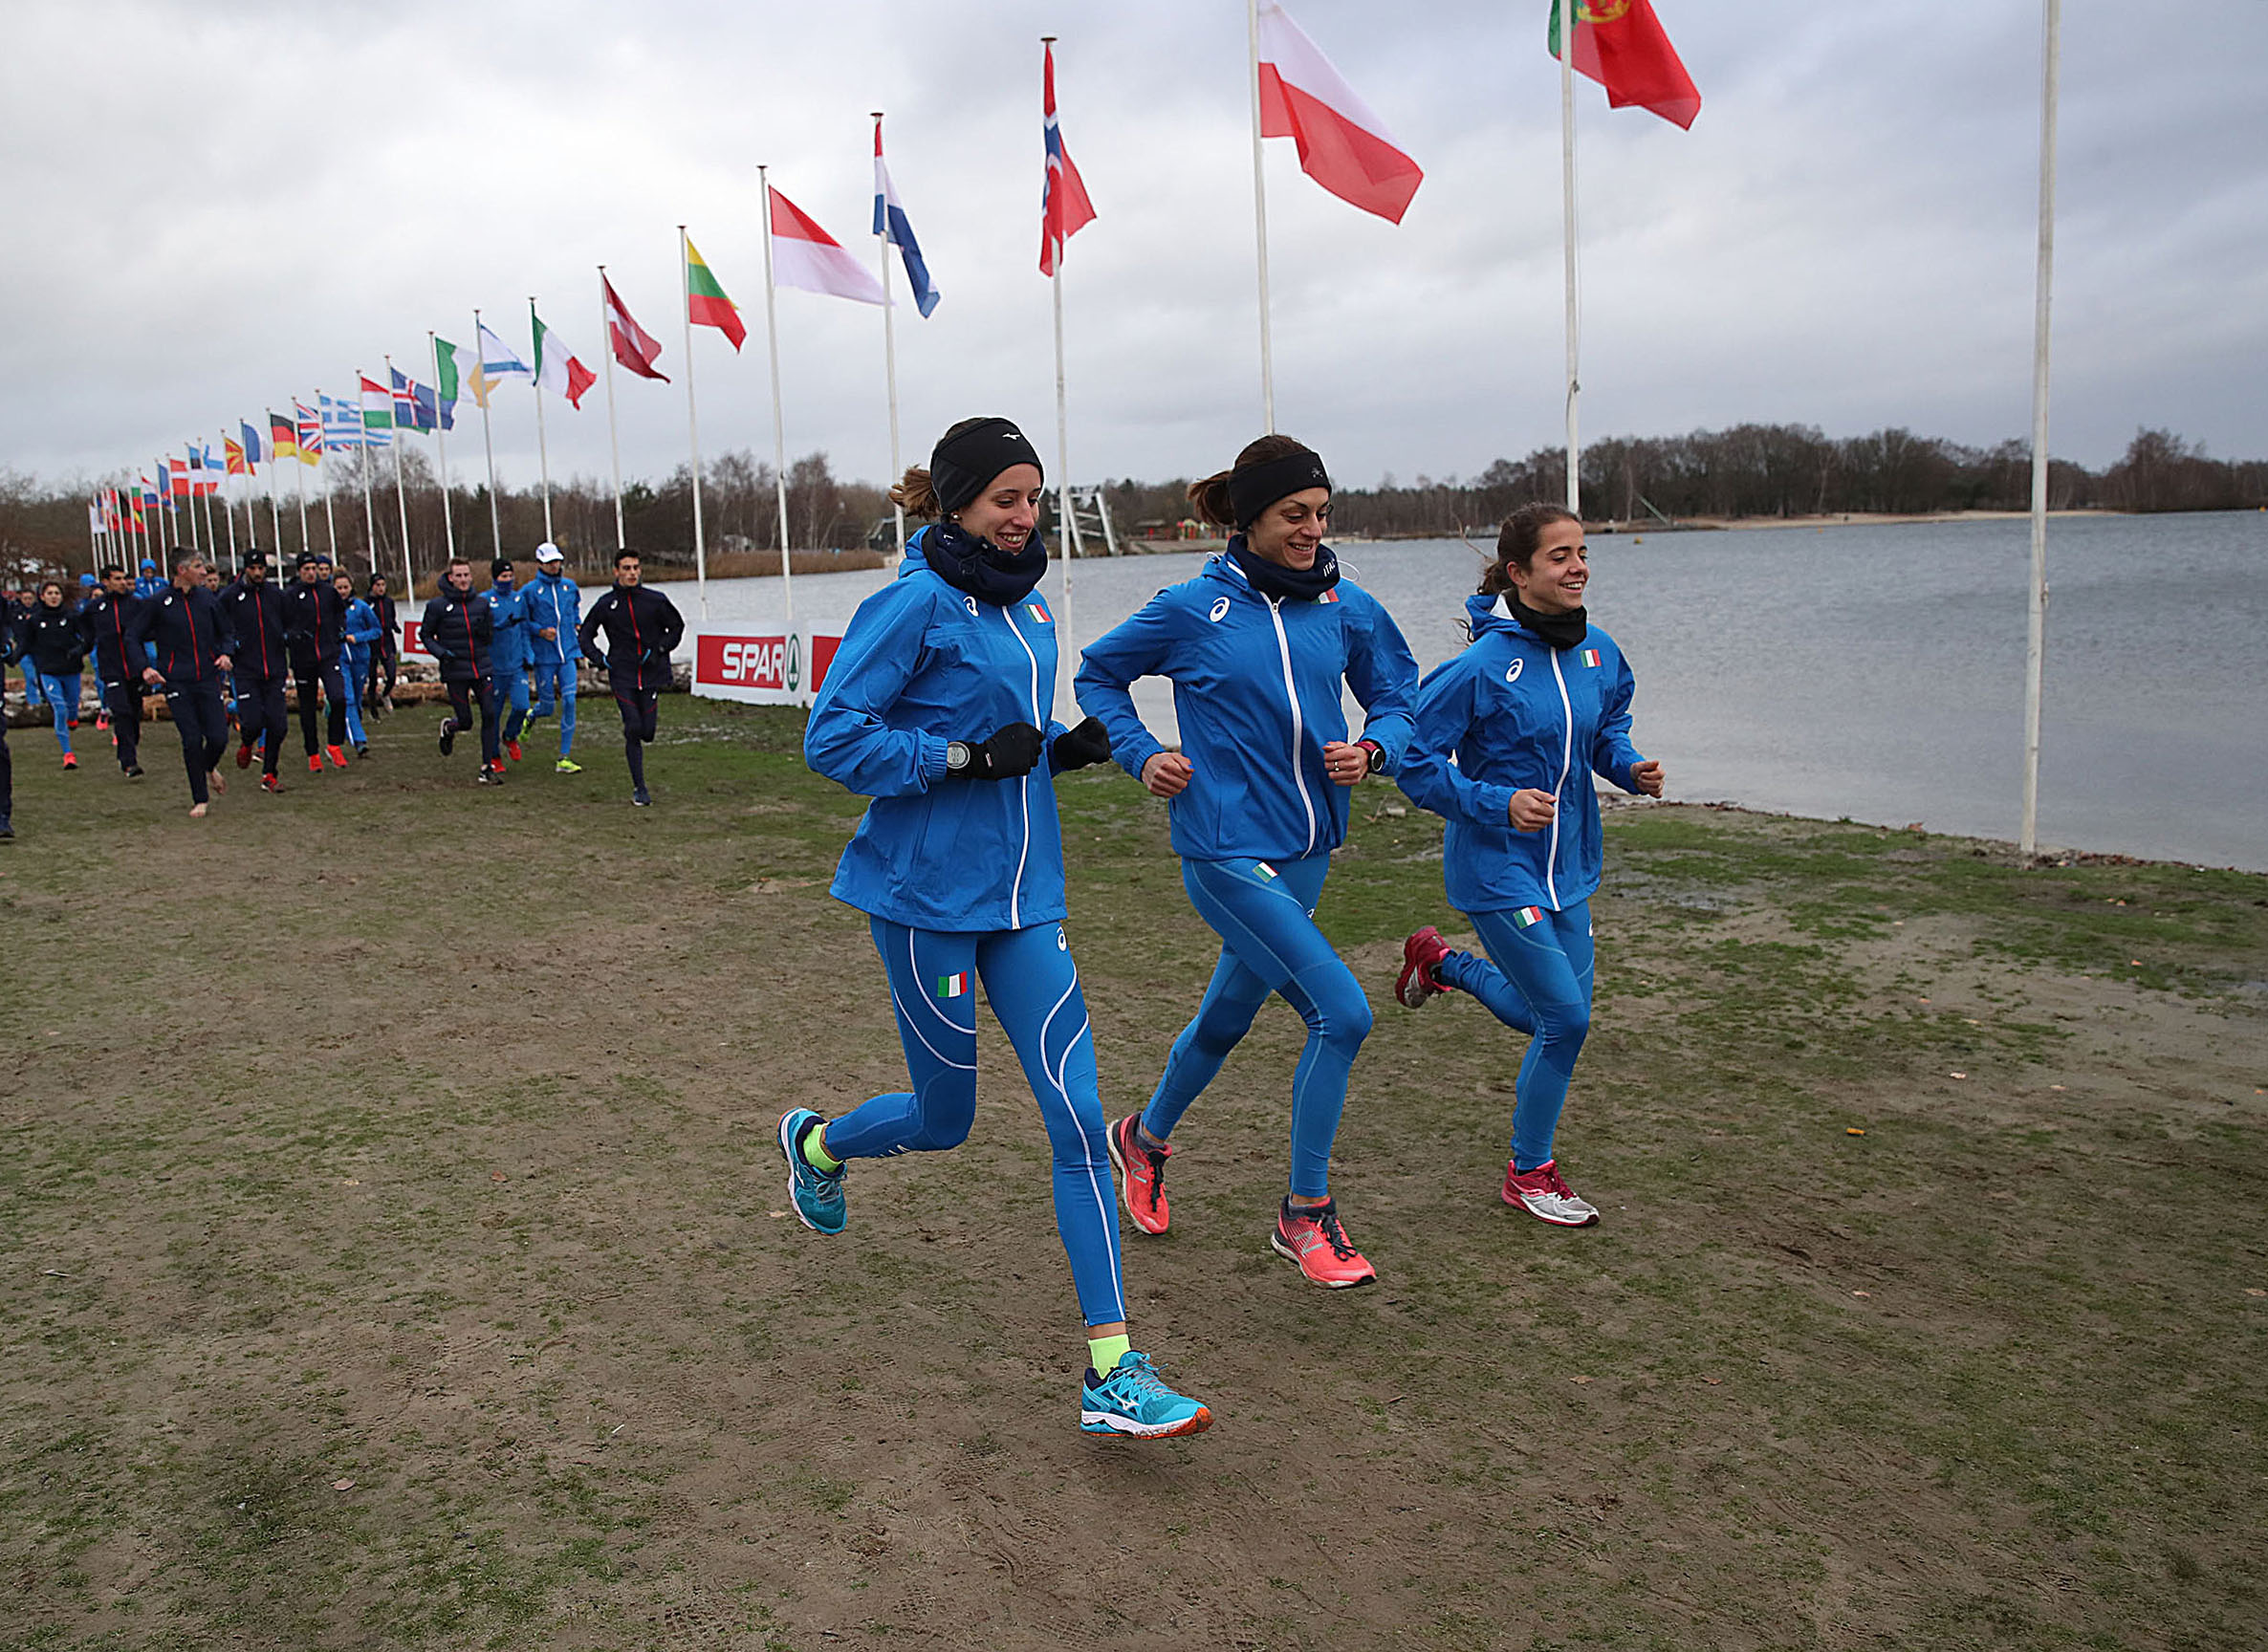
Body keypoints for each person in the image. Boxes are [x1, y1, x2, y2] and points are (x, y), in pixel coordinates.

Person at [787, 416, 1210, 1439]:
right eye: (1005, 500)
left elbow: (1009, 735)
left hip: (1027, 903)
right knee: (946, 1122)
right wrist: (963, 760)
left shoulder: (1029, 606)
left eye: (1034, 498)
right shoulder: (912, 603)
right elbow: (831, 739)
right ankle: (820, 1144)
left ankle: (1111, 1370)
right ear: (958, 503)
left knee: (1078, 1120)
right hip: (926, 904)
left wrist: (1056, 751)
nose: (1025, 517)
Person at [1075, 435, 1419, 1290]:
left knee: (1228, 1017)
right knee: (1343, 1014)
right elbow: (1097, 677)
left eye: (1322, 513)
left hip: (1309, 850)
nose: (1313, 530)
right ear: (1252, 518)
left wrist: (1374, 748)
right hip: (1223, 850)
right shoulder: (1194, 608)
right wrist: (1141, 754)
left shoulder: (1346, 606)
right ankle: (1306, 1215)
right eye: (1294, 514)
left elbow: (1399, 695)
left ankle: (1141, 1140)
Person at [1392, 504, 1664, 1228]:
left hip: (1569, 867)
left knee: (1548, 1016)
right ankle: (1529, 1172)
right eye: (1560, 556)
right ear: (1518, 572)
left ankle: (1442, 964)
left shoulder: (1598, 651)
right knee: (1565, 1021)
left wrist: (1629, 768)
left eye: (1583, 553)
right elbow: (1414, 764)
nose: (1578, 568)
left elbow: (1605, 730)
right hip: (1498, 870)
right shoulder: (1480, 667)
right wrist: (1497, 803)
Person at [130, 554, 236, 817]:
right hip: (176, 680)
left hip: (208, 677)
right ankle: (200, 798)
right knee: (191, 739)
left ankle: (208, 767)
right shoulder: (158, 602)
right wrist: (145, 667)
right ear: (181, 570)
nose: (204, 572)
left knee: (218, 737)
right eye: (198, 567)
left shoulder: (207, 599)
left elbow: (226, 631)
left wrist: (226, 653)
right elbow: (132, 636)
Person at [577, 550, 682, 807]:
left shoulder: (655, 600)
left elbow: (676, 627)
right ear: (616, 572)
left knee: (648, 732)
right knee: (633, 727)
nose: (632, 573)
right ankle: (640, 788)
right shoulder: (606, 604)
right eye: (626, 568)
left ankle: (638, 732)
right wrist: (599, 659)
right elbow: (585, 635)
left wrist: (658, 649)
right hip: (622, 674)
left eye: (635, 567)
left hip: (651, 673)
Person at [422, 557, 504, 784]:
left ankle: (487, 767)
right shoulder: (437, 606)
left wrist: (485, 632)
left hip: (482, 667)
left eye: (466, 575)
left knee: (490, 713)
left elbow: (489, 635)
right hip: (456, 669)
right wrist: (441, 653)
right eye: (458, 576)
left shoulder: (481, 604)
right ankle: (449, 728)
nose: (463, 579)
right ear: (450, 578)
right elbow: (425, 635)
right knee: (466, 721)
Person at [224, 554, 292, 793]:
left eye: (261, 568)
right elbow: (220, 627)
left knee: (278, 725)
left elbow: (290, 621)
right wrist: (230, 648)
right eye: (252, 568)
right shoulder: (231, 596)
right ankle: (246, 743)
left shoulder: (276, 595)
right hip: (246, 670)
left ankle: (269, 774)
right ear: (245, 570)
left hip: (275, 669)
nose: (257, 573)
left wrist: (289, 637)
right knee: (253, 722)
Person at [283, 552, 350, 773]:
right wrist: (293, 636)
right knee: (308, 707)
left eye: (314, 569)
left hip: (328, 654)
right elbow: (283, 623)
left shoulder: (328, 592)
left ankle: (334, 744)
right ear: (299, 571)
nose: (312, 573)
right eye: (307, 570)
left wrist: (340, 629)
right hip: (304, 659)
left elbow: (340, 613)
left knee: (338, 697)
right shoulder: (291, 595)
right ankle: (312, 753)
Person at [522, 542, 582, 772]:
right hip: (544, 657)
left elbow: (574, 609)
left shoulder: (569, 587)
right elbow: (523, 622)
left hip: (568, 654)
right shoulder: (529, 591)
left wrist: (577, 623)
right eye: (549, 563)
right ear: (539, 564)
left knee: (570, 701)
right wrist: (540, 631)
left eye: (556, 561)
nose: (554, 566)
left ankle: (564, 757)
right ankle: (532, 715)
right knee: (548, 707)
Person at [79, 567, 144, 778]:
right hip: (111, 668)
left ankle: (130, 743)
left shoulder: (136, 604)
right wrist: (80, 650)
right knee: (121, 711)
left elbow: (149, 628)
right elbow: (86, 632)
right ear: (106, 582)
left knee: (134, 712)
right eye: (117, 579)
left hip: (134, 668)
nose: (122, 582)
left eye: (124, 578)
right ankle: (128, 762)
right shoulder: (95, 608)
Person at [25, 580, 88, 769]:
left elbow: (87, 639)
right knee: (59, 709)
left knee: (71, 708)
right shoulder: (35, 620)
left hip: (71, 670)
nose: (54, 596)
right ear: (42, 597)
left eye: (57, 593)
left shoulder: (72, 616)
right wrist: (12, 657)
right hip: (49, 671)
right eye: (50, 593)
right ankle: (68, 754)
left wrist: (79, 650)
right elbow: (26, 643)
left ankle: (73, 719)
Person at [481, 556, 533, 763]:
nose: (508, 580)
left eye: (511, 576)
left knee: (522, 706)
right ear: (495, 578)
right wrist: (501, 624)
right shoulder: (485, 600)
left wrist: (529, 654)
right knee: (493, 713)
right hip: (494, 667)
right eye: (504, 576)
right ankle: (494, 756)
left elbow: (524, 628)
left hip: (517, 665)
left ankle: (510, 736)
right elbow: (481, 631)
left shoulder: (519, 599)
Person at [336, 571, 379, 757]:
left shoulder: (361, 607)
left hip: (360, 658)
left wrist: (358, 637)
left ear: (351, 587)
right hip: (339, 659)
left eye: (345, 587)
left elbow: (376, 630)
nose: (342, 591)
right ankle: (359, 741)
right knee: (349, 698)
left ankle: (349, 724)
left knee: (357, 698)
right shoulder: (329, 608)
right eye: (339, 588)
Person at [365, 572, 399, 710]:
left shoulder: (389, 602)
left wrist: (395, 627)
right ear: (372, 587)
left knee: (392, 674)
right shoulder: (366, 603)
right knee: (372, 678)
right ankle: (372, 706)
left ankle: (385, 694)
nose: (381, 588)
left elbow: (391, 618)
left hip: (387, 642)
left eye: (383, 585)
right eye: (378, 585)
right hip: (372, 644)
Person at [9, 588, 43, 715]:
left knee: (41, 675)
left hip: (38, 649)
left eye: (30, 598)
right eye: (25, 599)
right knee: (30, 676)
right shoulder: (16, 612)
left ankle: (44, 697)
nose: (28, 601)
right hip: (23, 650)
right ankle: (33, 701)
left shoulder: (39, 611)